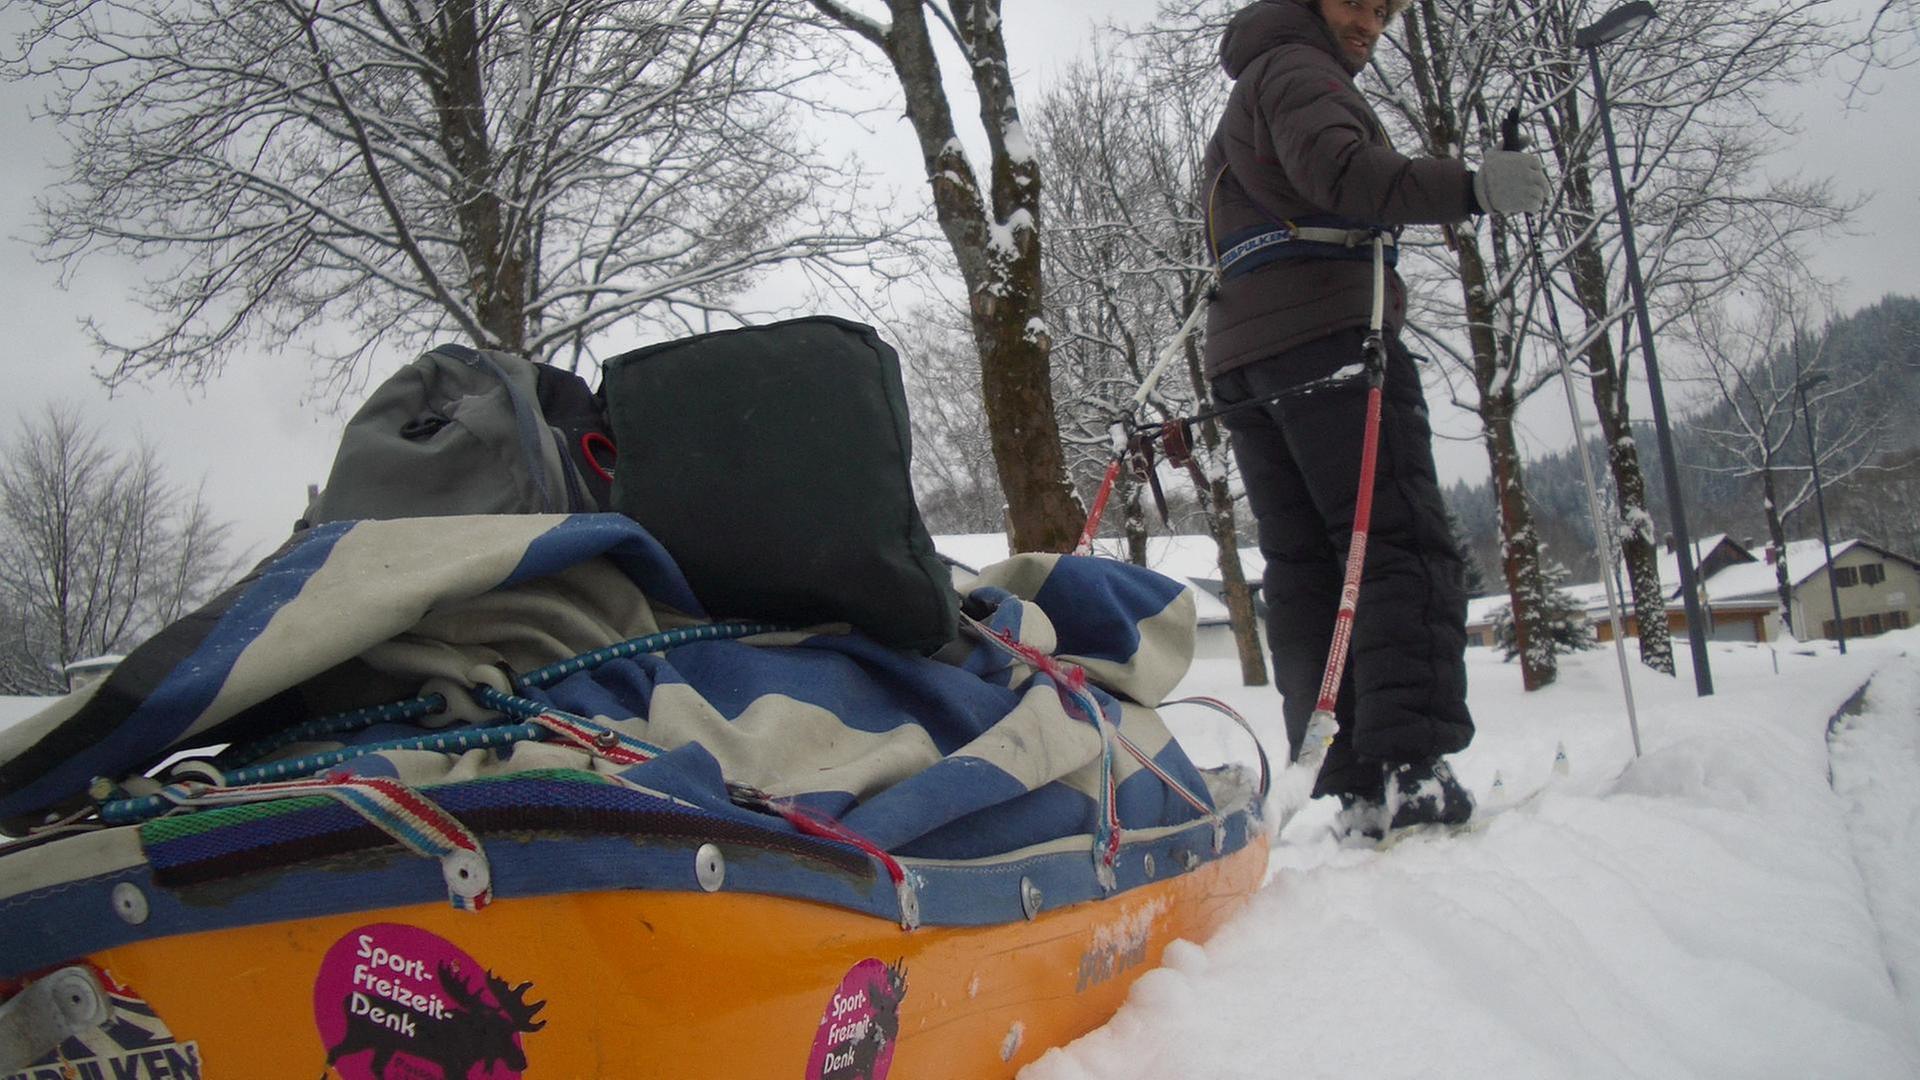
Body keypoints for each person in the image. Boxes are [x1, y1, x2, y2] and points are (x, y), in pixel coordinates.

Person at [1200, 0, 1549, 837]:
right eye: (1359, 1)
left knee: (1309, 565)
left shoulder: (1254, 86)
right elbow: (1344, 174)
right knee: (1395, 540)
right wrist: (1471, 186)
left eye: (1388, 10)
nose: (1373, 23)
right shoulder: (1299, 71)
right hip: (1329, 339)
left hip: (1247, 356)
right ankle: (1412, 768)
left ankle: (1348, 775)